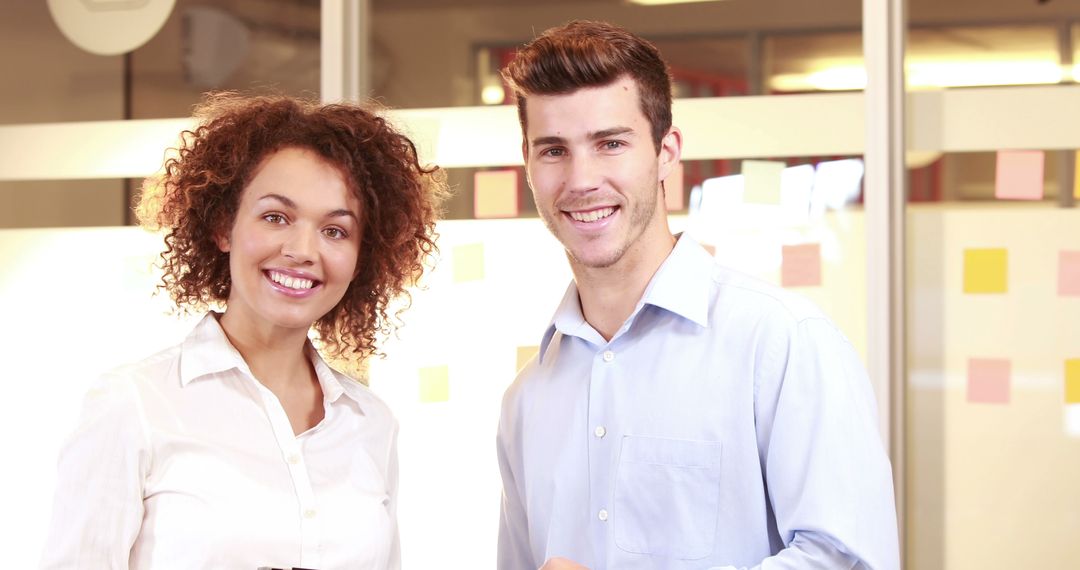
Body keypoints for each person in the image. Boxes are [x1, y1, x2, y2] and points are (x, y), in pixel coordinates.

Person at [496, 20, 900, 570]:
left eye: (610, 143)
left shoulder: (780, 343)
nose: (581, 179)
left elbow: (849, 560)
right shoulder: (528, 398)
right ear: (528, 163)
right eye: (553, 151)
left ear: (666, 153)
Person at [40, 93, 444, 569]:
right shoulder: (134, 405)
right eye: (276, 217)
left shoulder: (369, 423)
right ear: (223, 226)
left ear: (362, 257)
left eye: (335, 230)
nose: (302, 250)